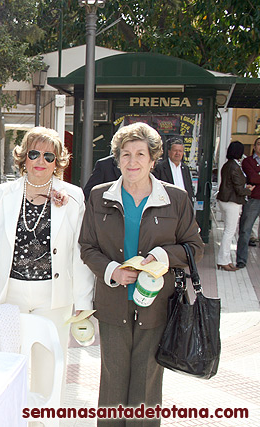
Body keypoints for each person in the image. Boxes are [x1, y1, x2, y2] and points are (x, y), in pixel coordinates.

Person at [79, 122, 204, 425]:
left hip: (157, 306)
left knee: (146, 385)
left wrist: (159, 256)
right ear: (117, 159)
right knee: (112, 383)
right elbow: (87, 246)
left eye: (140, 154)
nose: (132, 162)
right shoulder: (99, 196)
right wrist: (112, 271)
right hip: (112, 304)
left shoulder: (175, 199)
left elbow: (194, 247)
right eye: (125, 155)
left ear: (153, 159)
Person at [0, 127, 94, 399]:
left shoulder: (74, 196)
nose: (41, 161)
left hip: (55, 298)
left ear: (58, 162)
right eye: (34, 153)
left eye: (49, 156)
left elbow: (79, 254)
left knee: (50, 372)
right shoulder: (4, 193)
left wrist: (83, 303)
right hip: (11, 294)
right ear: (23, 157)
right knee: (7, 371)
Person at [216, 141, 253, 271]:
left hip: (224, 200)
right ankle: (223, 260)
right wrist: (249, 189)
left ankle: (226, 259)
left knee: (228, 231)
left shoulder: (227, 165)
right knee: (229, 232)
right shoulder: (235, 167)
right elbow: (238, 189)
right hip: (232, 201)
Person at [236, 136, 260, 269]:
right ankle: (241, 260)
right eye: (258, 144)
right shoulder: (248, 161)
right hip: (253, 199)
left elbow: (257, 178)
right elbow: (253, 177)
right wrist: (256, 177)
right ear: (254, 146)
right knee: (245, 230)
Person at [153, 138, 195, 202]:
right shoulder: (160, 167)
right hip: (168, 204)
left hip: (183, 204)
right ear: (169, 152)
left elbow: (189, 188)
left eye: (180, 151)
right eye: (175, 150)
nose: (177, 153)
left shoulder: (185, 168)